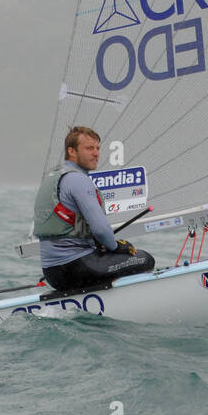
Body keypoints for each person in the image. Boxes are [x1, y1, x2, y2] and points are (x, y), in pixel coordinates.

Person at [33, 125, 155, 291]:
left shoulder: (53, 177)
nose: (96, 153)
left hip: (52, 274)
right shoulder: (78, 180)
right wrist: (117, 247)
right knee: (144, 259)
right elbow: (101, 230)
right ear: (72, 151)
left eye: (97, 148)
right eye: (89, 148)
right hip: (77, 268)